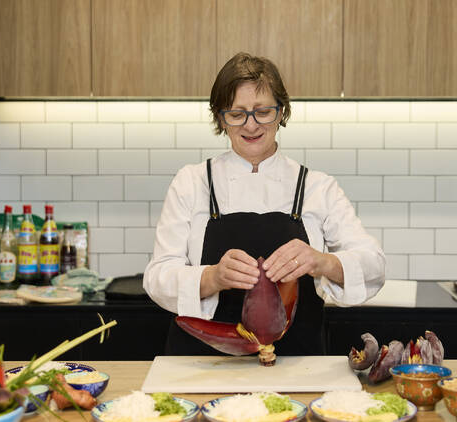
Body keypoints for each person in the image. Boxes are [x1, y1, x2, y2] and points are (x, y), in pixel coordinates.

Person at [143, 52, 385, 356]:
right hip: (203, 365)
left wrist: (321, 261)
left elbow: (374, 265)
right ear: (221, 118)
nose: (251, 124)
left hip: (298, 365)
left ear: (281, 112)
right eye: (237, 113)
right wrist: (212, 277)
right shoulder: (192, 182)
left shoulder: (316, 187)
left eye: (263, 111)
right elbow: (157, 278)